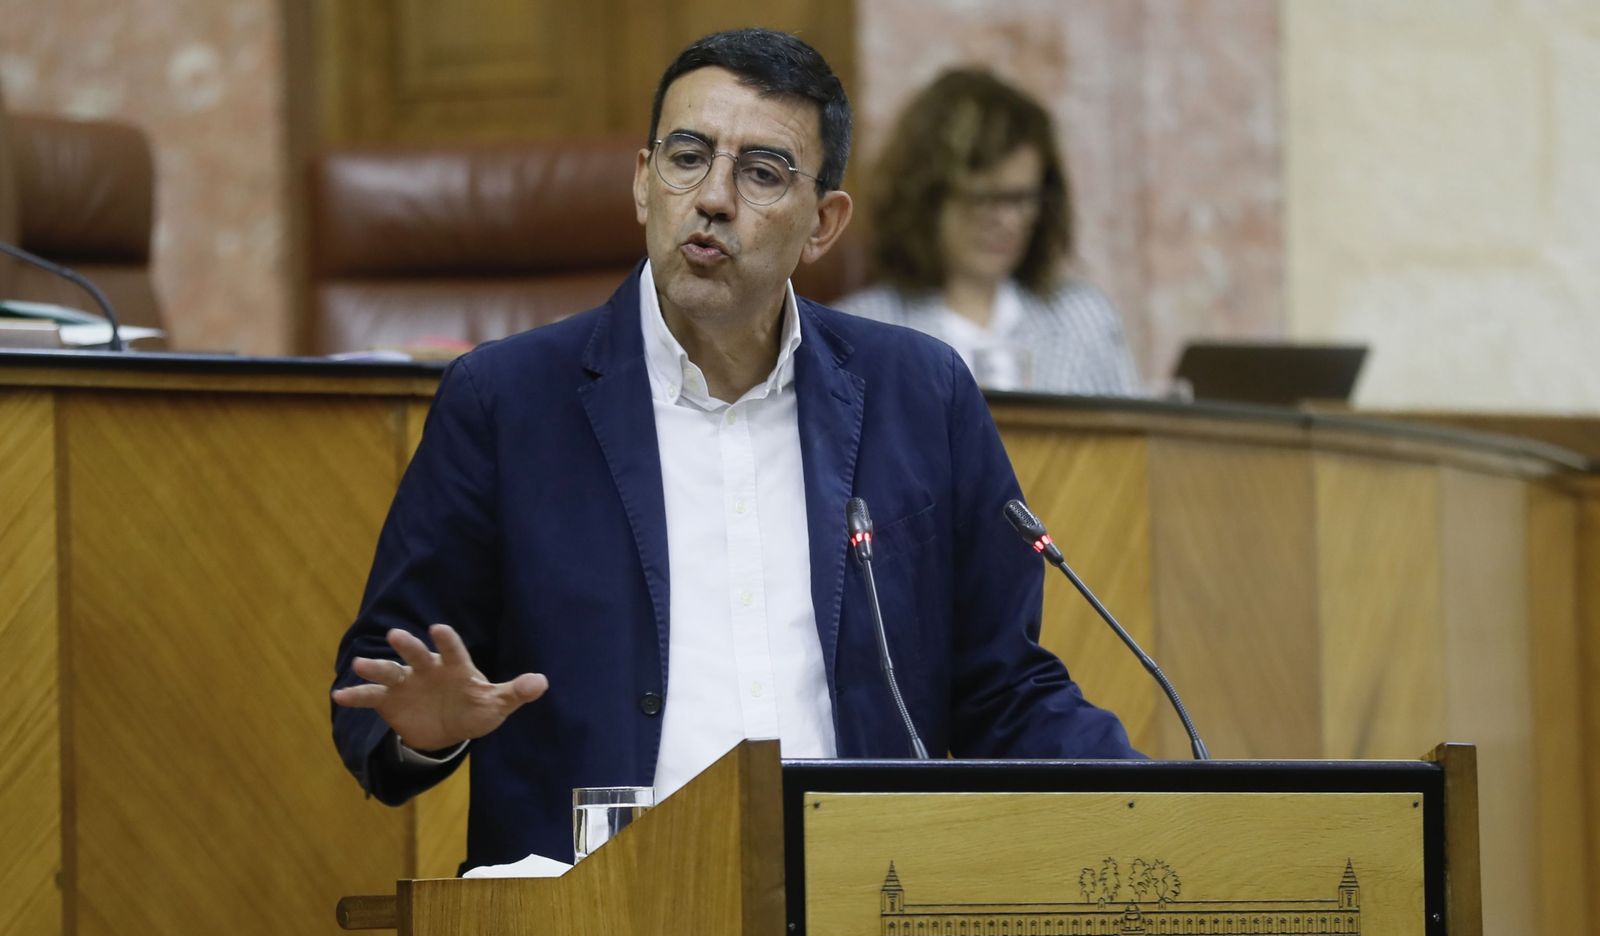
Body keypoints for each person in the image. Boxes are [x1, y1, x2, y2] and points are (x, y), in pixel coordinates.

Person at [331, 29, 1137, 872]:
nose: (713, 198)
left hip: (860, 907)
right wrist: (420, 735)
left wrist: (1170, 799)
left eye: (761, 173)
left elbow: (1002, 688)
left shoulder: (919, 393)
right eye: (687, 158)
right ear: (644, 183)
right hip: (591, 935)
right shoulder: (506, 402)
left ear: (823, 222)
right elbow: (378, 685)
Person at [835, 69, 1141, 397]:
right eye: (984, 198)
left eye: (1022, 198)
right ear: (928, 198)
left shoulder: (1082, 321)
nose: (1006, 220)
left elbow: (1132, 445)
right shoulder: (858, 333)